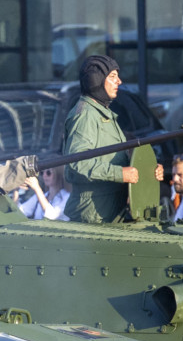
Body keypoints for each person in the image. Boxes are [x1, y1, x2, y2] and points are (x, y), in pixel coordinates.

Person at [64, 54, 159, 223]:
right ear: (97, 80)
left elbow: (117, 160)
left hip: (109, 210)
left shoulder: (102, 113)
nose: (119, 82)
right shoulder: (85, 115)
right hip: (94, 214)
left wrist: (148, 171)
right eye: (113, 77)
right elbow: (77, 162)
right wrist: (120, 174)